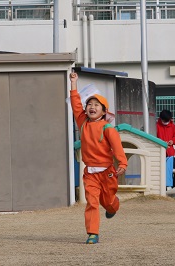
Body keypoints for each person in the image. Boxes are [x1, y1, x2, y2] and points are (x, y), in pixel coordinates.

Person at [69, 72, 128, 244]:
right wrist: (74, 83)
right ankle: (92, 233)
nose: (91, 107)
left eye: (96, 105)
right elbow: (75, 104)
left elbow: (117, 148)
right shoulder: (83, 123)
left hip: (108, 173)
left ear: (103, 112)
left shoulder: (108, 128)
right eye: (89, 104)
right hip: (90, 174)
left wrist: (122, 163)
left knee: (107, 202)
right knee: (92, 202)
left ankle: (113, 205)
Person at [156, 110, 175, 187]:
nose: (166, 122)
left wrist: (172, 141)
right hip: (160, 153)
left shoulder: (172, 126)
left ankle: (174, 188)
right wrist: (161, 142)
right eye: (164, 120)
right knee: (161, 172)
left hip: (170, 153)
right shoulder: (156, 126)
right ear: (161, 119)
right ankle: (164, 189)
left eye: (168, 120)